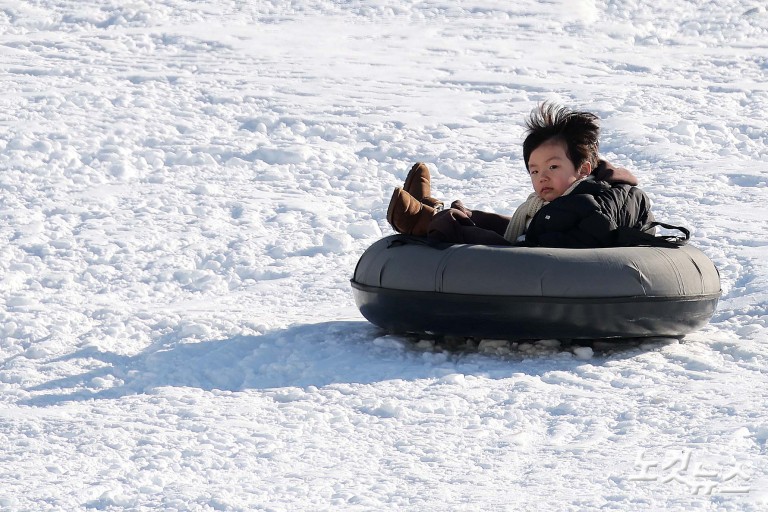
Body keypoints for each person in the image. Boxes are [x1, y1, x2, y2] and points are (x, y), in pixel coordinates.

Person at [385, 102, 656, 248]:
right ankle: (435, 209)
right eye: (534, 171)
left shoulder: (586, 203)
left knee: (478, 237)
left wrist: (528, 241)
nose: (542, 177)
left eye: (553, 167)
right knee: (489, 221)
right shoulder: (577, 197)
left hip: (553, 261)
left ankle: (425, 221)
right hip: (551, 237)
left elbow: (568, 244)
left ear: (583, 169)